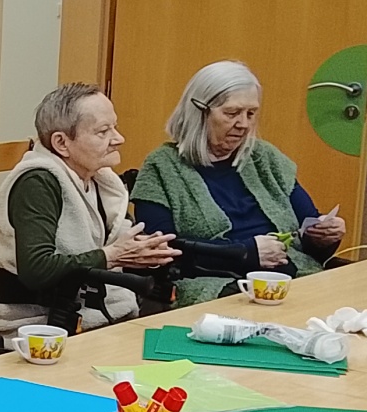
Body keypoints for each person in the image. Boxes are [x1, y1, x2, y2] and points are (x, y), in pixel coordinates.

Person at [131, 61, 346, 306]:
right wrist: (246, 253)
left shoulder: (265, 158)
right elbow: (162, 253)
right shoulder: (162, 167)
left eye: (251, 114)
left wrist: (324, 236)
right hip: (216, 286)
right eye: (232, 113)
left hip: (291, 280)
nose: (244, 124)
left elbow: (309, 234)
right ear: (199, 112)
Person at [0, 84, 179, 332]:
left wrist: (145, 252)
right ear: (62, 143)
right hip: (39, 328)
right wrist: (111, 256)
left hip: (106, 316)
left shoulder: (101, 180)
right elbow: (37, 269)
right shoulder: (37, 183)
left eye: (115, 127)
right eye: (103, 131)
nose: (118, 139)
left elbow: (115, 249)